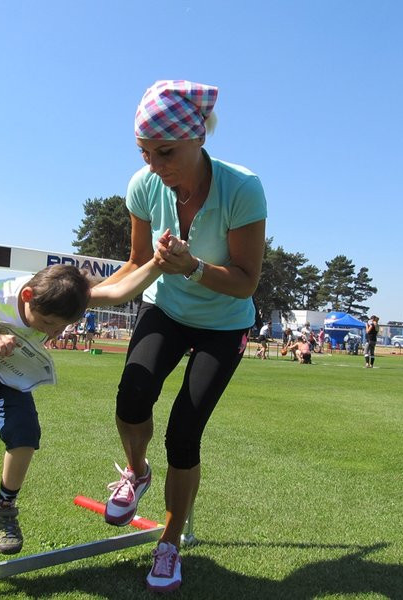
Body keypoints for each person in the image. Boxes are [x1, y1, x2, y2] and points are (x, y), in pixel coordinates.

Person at [96, 80, 267, 592]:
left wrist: (191, 266)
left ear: (197, 140)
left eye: (165, 152)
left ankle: (168, 540)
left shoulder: (243, 188)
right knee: (131, 397)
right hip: (165, 308)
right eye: (144, 153)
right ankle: (136, 471)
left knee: (183, 432)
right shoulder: (143, 186)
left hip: (224, 321)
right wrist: (85, 296)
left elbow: (246, 282)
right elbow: (134, 263)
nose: (154, 165)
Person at [0, 248, 184, 575]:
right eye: (49, 324)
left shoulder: (64, 298)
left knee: (24, 434)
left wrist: (157, 262)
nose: (52, 332)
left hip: (10, 371)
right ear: (27, 297)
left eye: (60, 327)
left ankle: (5, 508)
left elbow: (117, 291)